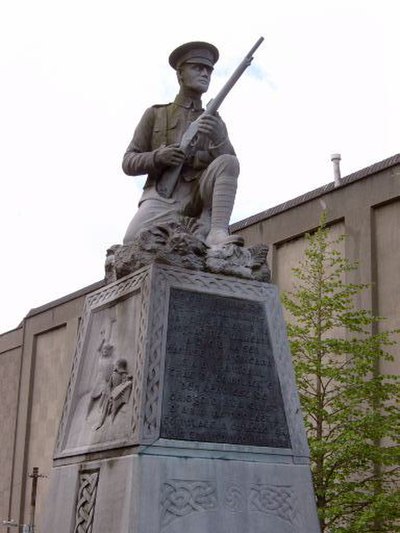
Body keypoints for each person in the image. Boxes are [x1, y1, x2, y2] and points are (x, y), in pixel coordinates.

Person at [122, 41, 242, 248]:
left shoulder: (214, 121)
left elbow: (230, 166)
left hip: (198, 196)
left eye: (209, 70)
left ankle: (217, 231)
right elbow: (128, 162)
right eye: (197, 67)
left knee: (228, 161)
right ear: (180, 74)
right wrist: (158, 157)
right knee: (132, 241)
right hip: (163, 197)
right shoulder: (157, 114)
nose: (205, 74)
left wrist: (220, 138)